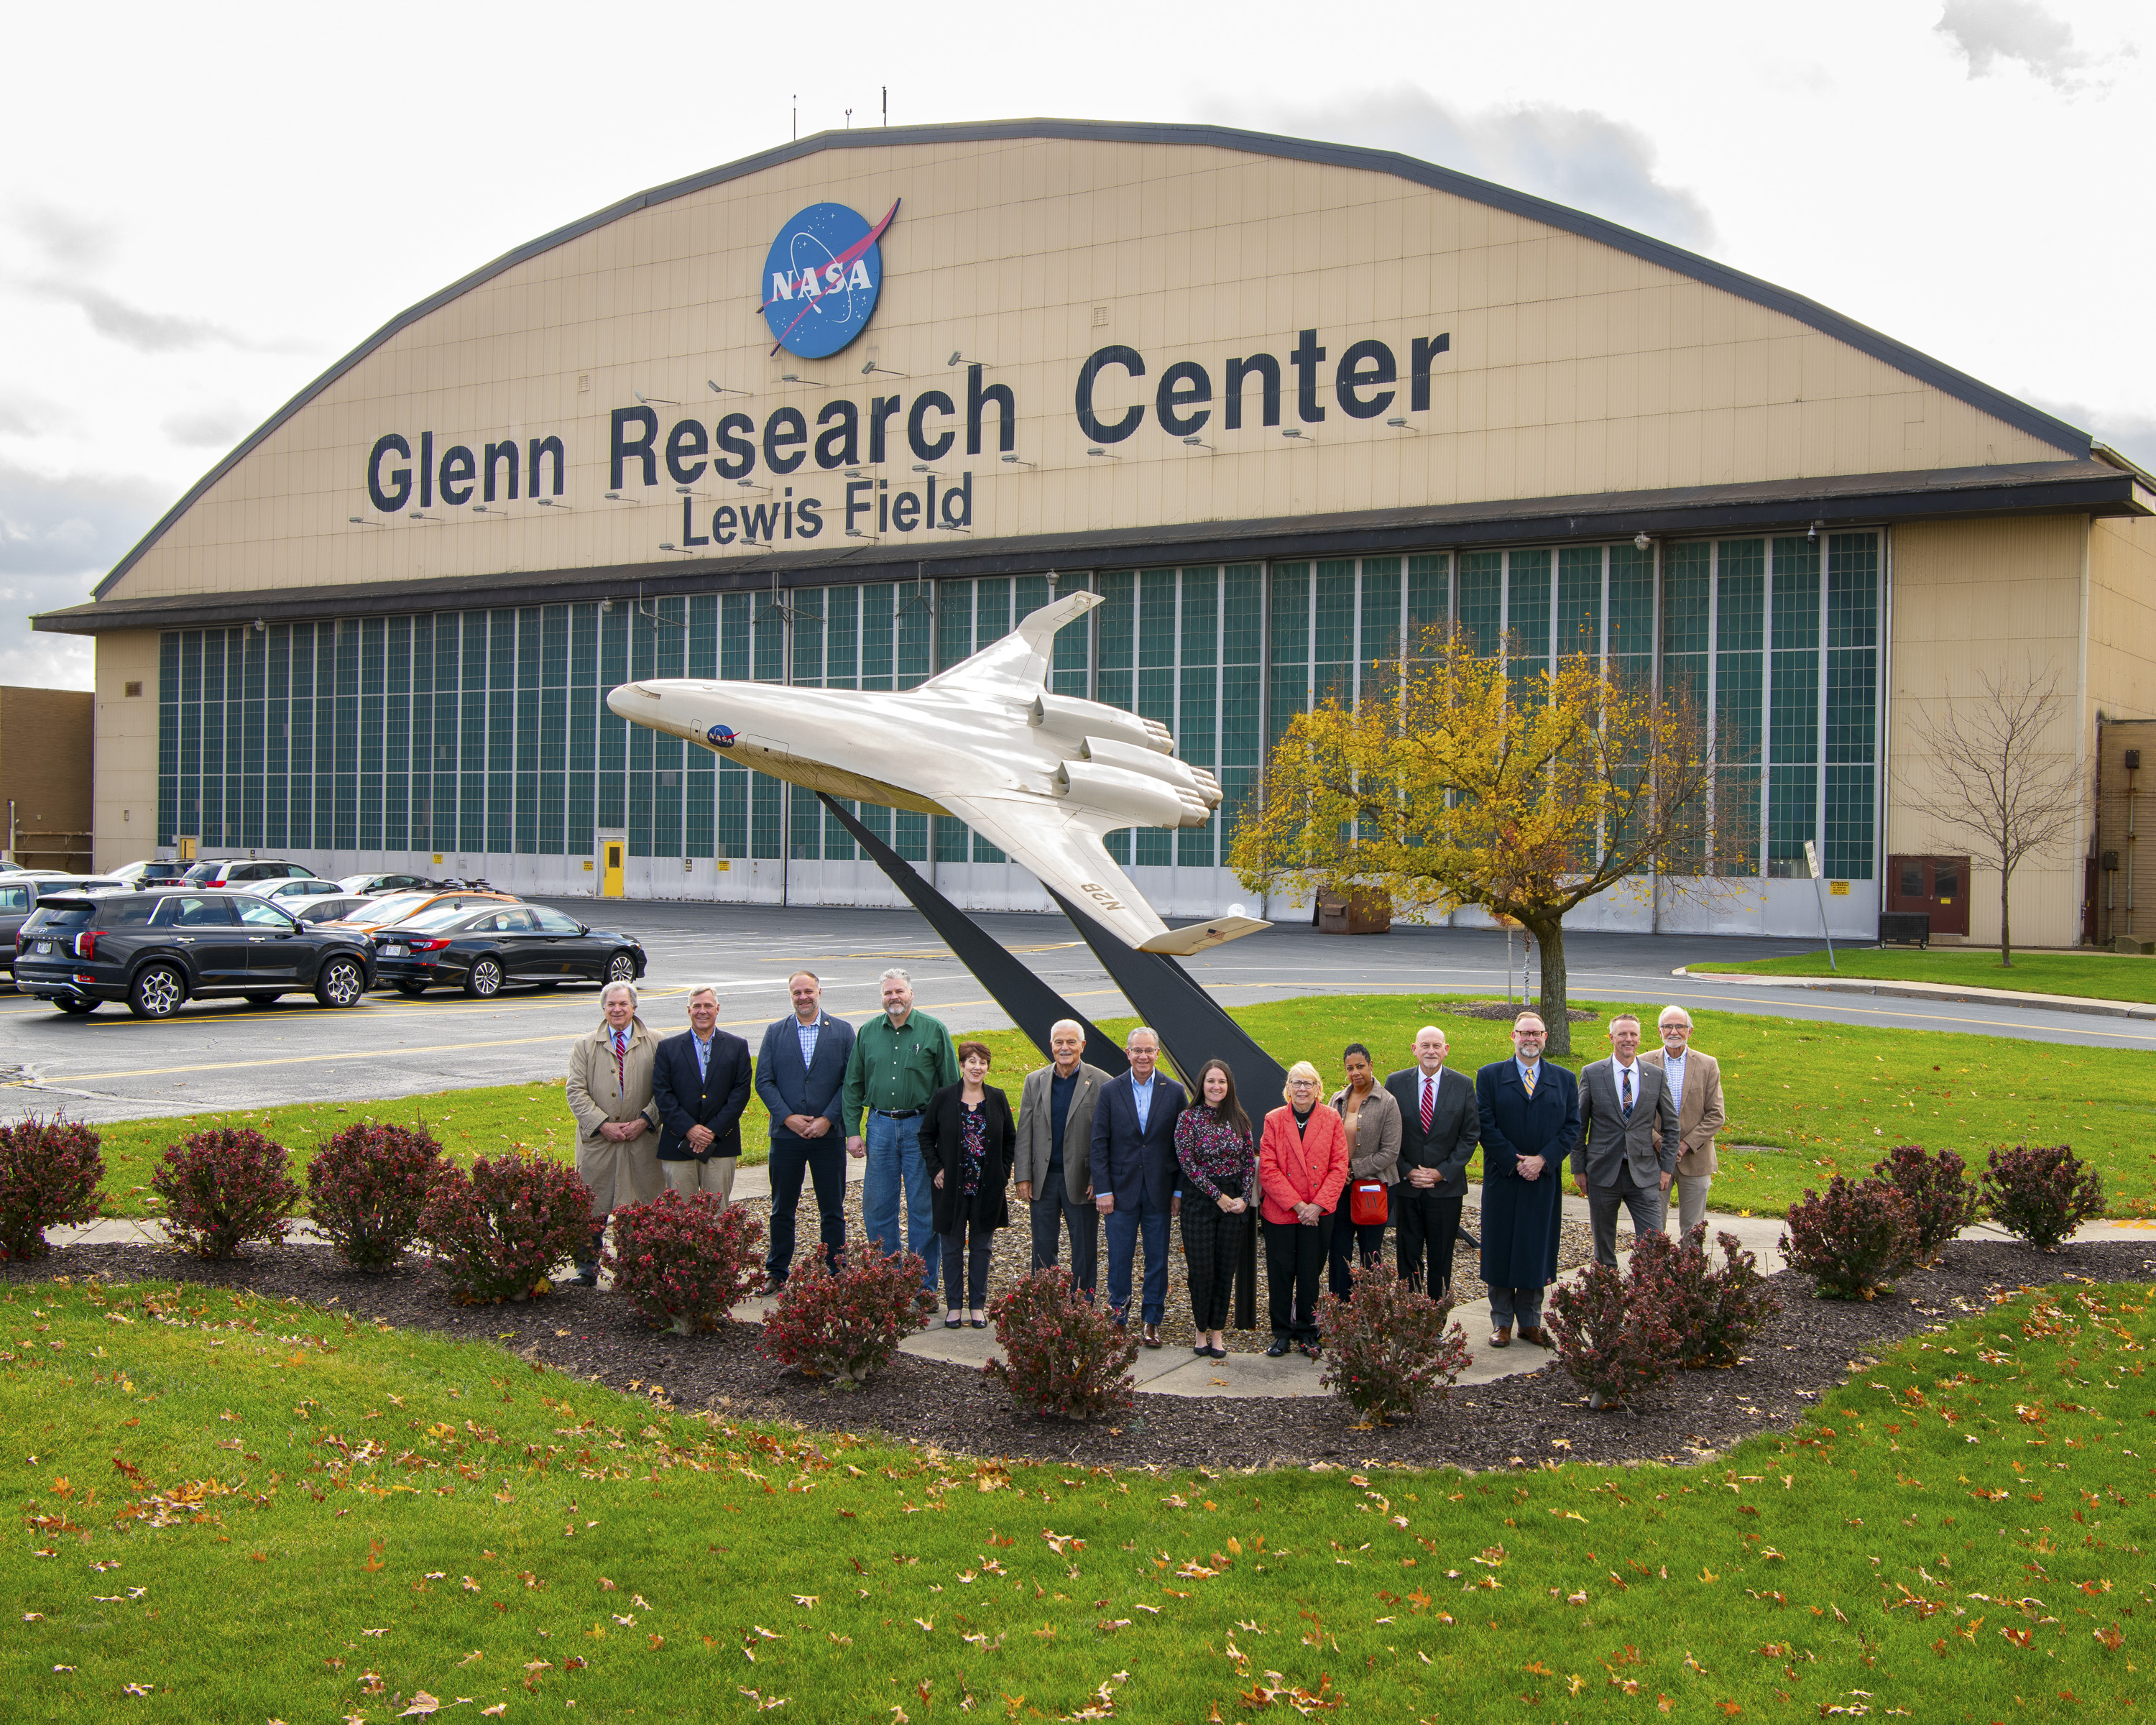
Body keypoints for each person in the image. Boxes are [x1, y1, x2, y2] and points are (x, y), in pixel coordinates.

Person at [843, 967, 960, 1299]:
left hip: (921, 1129)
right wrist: (852, 1131)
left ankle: (922, 1289)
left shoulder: (934, 1030)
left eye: (899, 991)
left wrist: (944, 1138)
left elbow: (951, 1087)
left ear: (911, 994)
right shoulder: (867, 1032)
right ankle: (886, 1284)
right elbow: (852, 1085)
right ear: (882, 997)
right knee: (878, 1206)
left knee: (924, 1209)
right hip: (879, 1126)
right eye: (888, 993)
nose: (893, 997)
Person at [1475, 1012, 1580, 1348]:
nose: (1530, 1039)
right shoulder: (1490, 1076)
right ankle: (1502, 1322)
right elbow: (1485, 1125)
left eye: (1536, 1033)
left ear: (1546, 1037)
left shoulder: (1564, 1079)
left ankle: (1530, 1321)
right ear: (1513, 1036)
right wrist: (1513, 1161)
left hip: (1543, 1179)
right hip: (1502, 1177)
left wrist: (1543, 1160)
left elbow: (1573, 1127)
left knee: (1537, 1247)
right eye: (1524, 1033)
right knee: (1501, 1247)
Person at [755, 970, 856, 1292]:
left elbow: (850, 1083)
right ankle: (777, 1271)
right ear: (790, 995)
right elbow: (764, 1081)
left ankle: (836, 1270)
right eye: (797, 993)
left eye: (808, 991)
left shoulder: (842, 1032)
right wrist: (787, 1118)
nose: (803, 997)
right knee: (782, 1206)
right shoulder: (775, 1032)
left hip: (829, 1136)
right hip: (787, 1137)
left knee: (832, 1207)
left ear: (820, 992)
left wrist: (828, 1118)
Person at [1089, 1026, 1187, 1348]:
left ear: (1158, 1053)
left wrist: (1178, 1191)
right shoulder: (1110, 1091)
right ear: (1127, 1052)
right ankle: (1117, 1317)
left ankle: (1151, 1321)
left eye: (1149, 1051)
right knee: (1119, 1257)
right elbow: (1099, 1143)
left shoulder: (1173, 1092)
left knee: (1157, 1258)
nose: (1143, 1056)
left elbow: (1182, 1148)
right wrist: (1102, 1190)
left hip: (1160, 1191)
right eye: (1137, 1050)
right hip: (1119, 1191)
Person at [564, 980, 663, 1286]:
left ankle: (634, 1269)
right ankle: (586, 1269)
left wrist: (645, 1120)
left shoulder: (658, 1043)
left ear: (634, 1007)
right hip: (599, 1141)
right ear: (603, 1008)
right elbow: (575, 1090)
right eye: (611, 1005)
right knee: (592, 1205)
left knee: (639, 1205)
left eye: (623, 1004)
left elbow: (667, 1090)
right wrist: (602, 1124)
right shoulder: (584, 1045)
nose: (617, 1009)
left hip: (641, 1140)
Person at [921, 1041, 1017, 1329]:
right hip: (951, 1187)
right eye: (971, 1061)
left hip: (987, 1186)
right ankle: (953, 1307)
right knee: (950, 1248)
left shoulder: (997, 1098)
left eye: (983, 1062)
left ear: (988, 1067)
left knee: (981, 1248)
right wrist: (936, 1168)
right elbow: (926, 1136)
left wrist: (1002, 1172)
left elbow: (1010, 1139)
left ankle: (977, 1305)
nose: (977, 1067)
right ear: (961, 1065)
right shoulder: (943, 1097)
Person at [1572, 1011, 1679, 1268]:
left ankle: (1646, 1296)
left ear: (1640, 1039)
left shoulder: (1655, 1075)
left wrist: (1666, 1168)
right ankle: (1607, 1295)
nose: (1628, 1039)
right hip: (1602, 1173)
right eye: (1622, 1034)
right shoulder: (1593, 1073)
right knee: (1604, 1246)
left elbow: (1672, 1126)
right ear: (1611, 1038)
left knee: (1654, 1244)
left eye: (1633, 1034)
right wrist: (1579, 1169)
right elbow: (1578, 1126)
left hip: (1643, 1174)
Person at [1013, 1018, 1110, 1298]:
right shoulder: (1035, 1081)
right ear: (1051, 1045)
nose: (1064, 1048)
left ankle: (1082, 1304)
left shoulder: (1102, 1082)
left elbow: (1107, 1137)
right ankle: (1047, 1302)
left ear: (1083, 1045)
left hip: (1082, 1180)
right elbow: (1025, 1131)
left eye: (1071, 1042)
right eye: (1059, 1042)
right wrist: (1023, 1175)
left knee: (1084, 1246)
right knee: (1042, 1246)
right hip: (1043, 1180)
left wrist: (1098, 1178)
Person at [1258, 1061, 1349, 1358]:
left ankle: (1309, 1331)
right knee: (1280, 1273)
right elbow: (1268, 1168)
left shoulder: (1332, 1119)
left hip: (1318, 1213)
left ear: (1318, 1089)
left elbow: (1339, 1167)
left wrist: (1317, 1206)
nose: (1302, 1089)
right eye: (1296, 1083)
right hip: (1282, 1212)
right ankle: (1282, 1333)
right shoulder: (1273, 1119)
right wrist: (1298, 1205)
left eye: (1308, 1083)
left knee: (1311, 1273)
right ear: (1288, 1088)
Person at [1384, 1024, 1479, 1297]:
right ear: (1414, 1050)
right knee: (1407, 1255)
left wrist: (1442, 1172)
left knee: (1441, 1256)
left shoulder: (1462, 1085)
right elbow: (1389, 1134)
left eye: (1437, 1046)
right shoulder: (1396, 1082)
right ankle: (1411, 1313)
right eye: (1425, 1045)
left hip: (1445, 1189)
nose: (1431, 1051)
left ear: (1446, 1050)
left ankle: (1437, 1316)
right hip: (1408, 1187)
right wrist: (1406, 1171)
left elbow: (1470, 1135)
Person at [1174, 1057, 1257, 1359]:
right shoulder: (1188, 1119)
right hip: (1199, 1202)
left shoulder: (1240, 1119)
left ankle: (1218, 1334)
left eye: (1221, 1081)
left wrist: (1244, 1198)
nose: (1216, 1086)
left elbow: (1249, 1163)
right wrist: (1216, 1195)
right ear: (1202, 1085)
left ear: (1229, 1085)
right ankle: (1200, 1331)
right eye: (1211, 1081)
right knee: (1201, 1271)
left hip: (1233, 1203)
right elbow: (1188, 1163)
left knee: (1225, 1270)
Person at [651, 985, 754, 1203]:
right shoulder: (668, 1048)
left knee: (718, 1214)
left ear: (717, 1009)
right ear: (688, 1010)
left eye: (708, 1005)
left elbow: (740, 1093)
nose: (702, 1011)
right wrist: (689, 1129)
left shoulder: (737, 1046)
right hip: (677, 1144)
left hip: (721, 1143)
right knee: (681, 1216)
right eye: (697, 1006)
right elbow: (663, 1094)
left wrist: (711, 1131)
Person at [1641, 1006, 1726, 1237]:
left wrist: (1684, 1144)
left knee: (1693, 1229)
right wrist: (1660, 1143)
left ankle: (1690, 1273)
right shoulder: (1643, 1063)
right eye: (1668, 1026)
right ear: (1659, 1031)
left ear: (1690, 1031)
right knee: (1653, 1228)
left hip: (1696, 1159)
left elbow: (1716, 1114)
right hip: (1653, 1159)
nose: (1674, 1032)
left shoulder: (1708, 1064)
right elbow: (1634, 1114)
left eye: (1680, 1026)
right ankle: (1653, 1273)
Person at [1327, 1043, 1401, 1301]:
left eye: (1360, 1066)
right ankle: (1340, 1310)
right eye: (1350, 1068)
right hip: (1339, 1189)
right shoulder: (1336, 1099)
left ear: (1371, 1065)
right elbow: (1326, 1142)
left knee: (1371, 1252)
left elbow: (1390, 1153)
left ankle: (1369, 1310)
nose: (1355, 1072)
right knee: (1339, 1250)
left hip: (1374, 1188)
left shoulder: (1388, 1103)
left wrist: (1354, 1169)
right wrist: (1339, 1171)